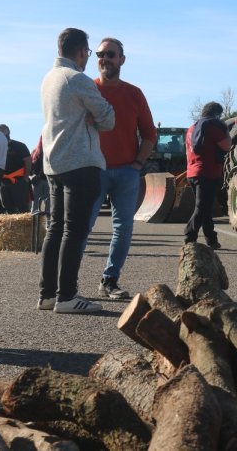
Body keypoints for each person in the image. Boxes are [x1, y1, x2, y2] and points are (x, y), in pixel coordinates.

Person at [38, 27, 115, 314]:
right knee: (74, 231)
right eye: (90, 53)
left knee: (55, 229)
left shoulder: (49, 79)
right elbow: (107, 118)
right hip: (81, 161)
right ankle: (67, 296)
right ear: (82, 51)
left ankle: (47, 294)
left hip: (54, 162)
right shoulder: (77, 79)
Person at [84, 37, 157, 300]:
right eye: (101, 54)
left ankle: (110, 280)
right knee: (83, 226)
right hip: (93, 170)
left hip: (127, 171)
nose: (105, 59)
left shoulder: (134, 94)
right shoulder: (87, 89)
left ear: (122, 60)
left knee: (123, 228)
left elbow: (149, 133)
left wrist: (137, 163)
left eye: (111, 54)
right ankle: (67, 284)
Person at [183, 101, 231, 249]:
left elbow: (187, 152)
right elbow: (227, 146)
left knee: (206, 207)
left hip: (192, 171)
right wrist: (227, 132)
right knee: (202, 207)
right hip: (208, 172)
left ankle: (211, 240)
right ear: (216, 114)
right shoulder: (213, 127)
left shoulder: (192, 128)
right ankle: (189, 236)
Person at [0, 124, 32, 214]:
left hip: (18, 181)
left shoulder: (19, 146)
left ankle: (27, 227)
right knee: (7, 206)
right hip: (3, 182)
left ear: (6, 131)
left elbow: (28, 161)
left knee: (22, 207)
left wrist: (26, 177)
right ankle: (12, 227)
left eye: (0, 131)